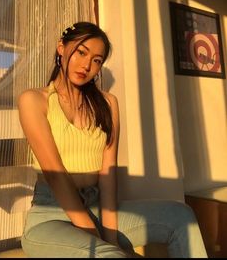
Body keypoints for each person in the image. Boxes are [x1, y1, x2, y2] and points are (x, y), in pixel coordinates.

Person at [18, 21, 207, 258]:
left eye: (97, 60)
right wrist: (98, 239)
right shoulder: (34, 100)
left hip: (98, 206)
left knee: (181, 217)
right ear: (61, 48)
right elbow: (55, 174)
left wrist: (110, 236)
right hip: (51, 215)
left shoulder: (108, 104)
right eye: (81, 52)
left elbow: (107, 176)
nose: (87, 65)